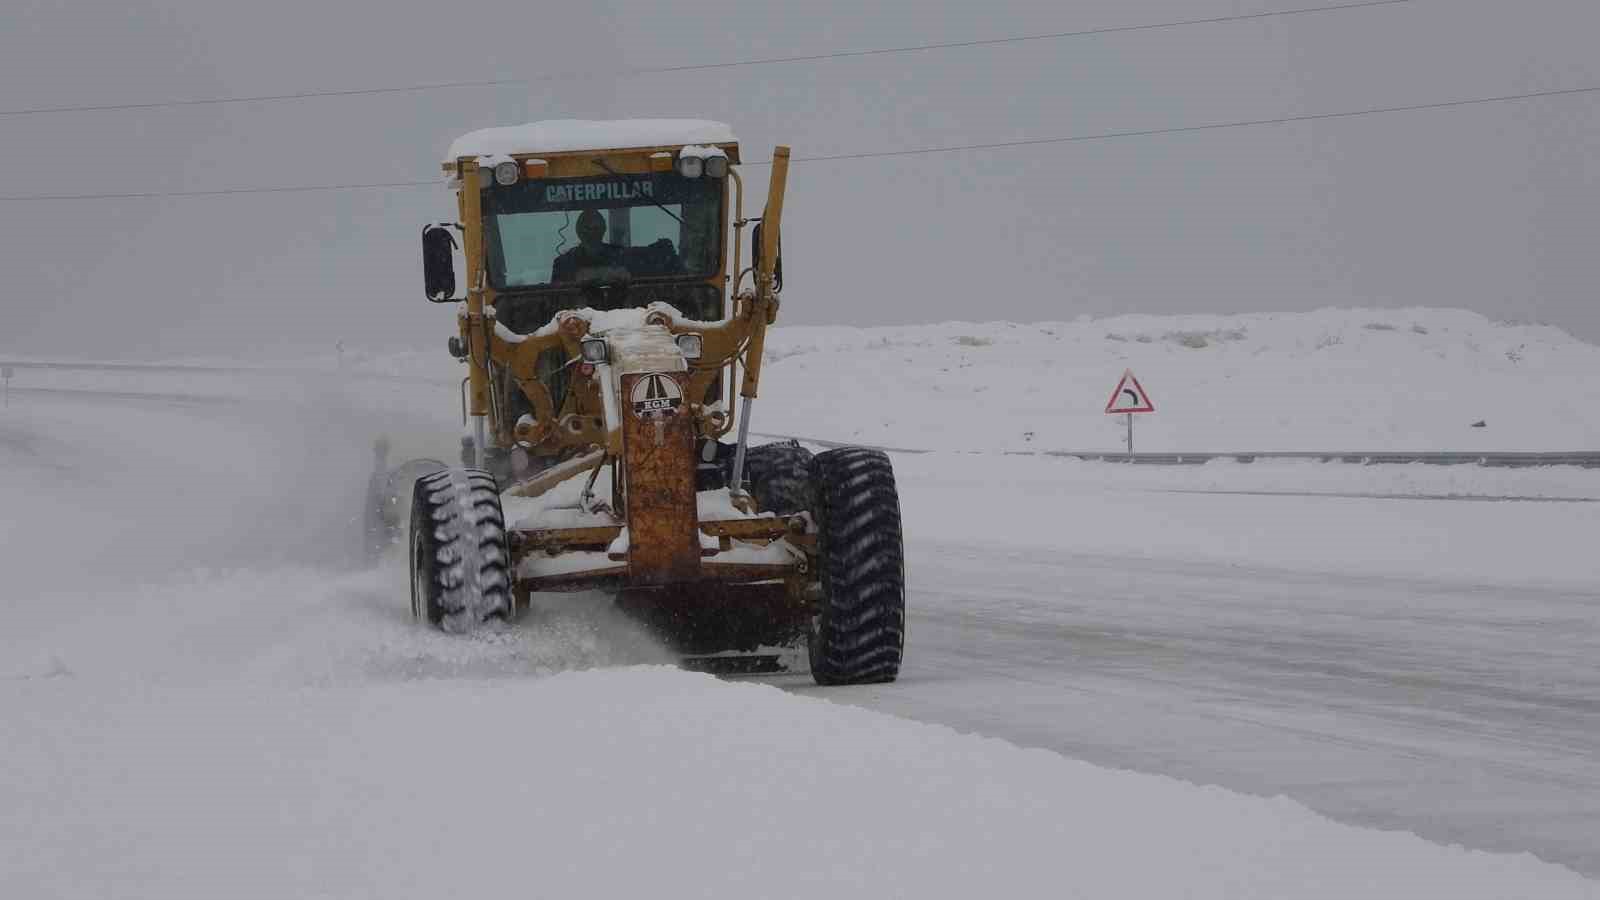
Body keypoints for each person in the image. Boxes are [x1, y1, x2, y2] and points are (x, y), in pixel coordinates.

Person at [551, 209, 625, 283]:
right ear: (579, 231)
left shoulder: (622, 256)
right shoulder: (563, 264)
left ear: (603, 229)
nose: (592, 233)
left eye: (596, 228)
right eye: (587, 228)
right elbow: (558, 292)